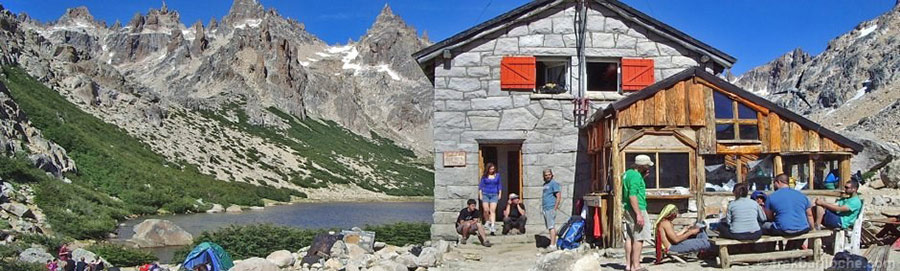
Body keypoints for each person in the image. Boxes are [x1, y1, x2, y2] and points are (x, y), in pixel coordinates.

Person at [623, 155, 653, 271]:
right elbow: (632, 195)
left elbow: (629, 189)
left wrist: (642, 178)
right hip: (637, 208)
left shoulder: (627, 173)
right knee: (639, 237)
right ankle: (636, 266)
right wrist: (639, 214)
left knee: (630, 237)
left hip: (627, 207)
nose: (648, 168)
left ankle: (628, 265)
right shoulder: (636, 176)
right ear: (642, 166)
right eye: (647, 166)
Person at [478, 163, 502, 235]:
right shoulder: (484, 176)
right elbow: (481, 185)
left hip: (494, 194)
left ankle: (493, 225)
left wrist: (500, 193)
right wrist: (480, 194)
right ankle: (487, 221)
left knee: (492, 210)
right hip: (485, 194)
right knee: (486, 210)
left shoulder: (497, 176)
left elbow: (499, 185)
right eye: (491, 169)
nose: (492, 170)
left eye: (493, 169)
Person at [541, 169, 561, 250]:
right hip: (545, 208)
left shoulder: (554, 183)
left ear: (552, 175)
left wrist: (555, 208)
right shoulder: (545, 184)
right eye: (546, 175)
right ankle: (552, 243)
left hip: (551, 208)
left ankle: (553, 245)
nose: (548, 176)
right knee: (549, 227)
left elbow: (558, 196)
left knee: (551, 226)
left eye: (549, 174)